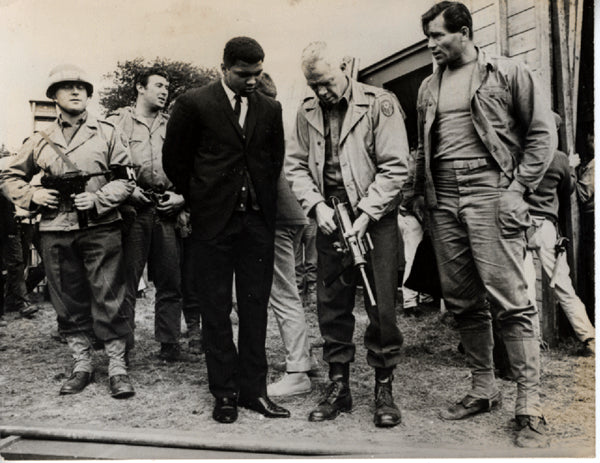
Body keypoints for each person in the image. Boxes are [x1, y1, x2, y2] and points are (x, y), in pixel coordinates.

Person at [414, 2, 557, 447]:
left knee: (512, 301)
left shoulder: (508, 73)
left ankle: (529, 405)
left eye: (438, 36)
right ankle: (483, 389)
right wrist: (417, 194)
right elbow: (425, 146)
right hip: (443, 197)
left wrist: (517, 190)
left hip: (491, 189)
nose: (431, 45)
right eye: (428, 38)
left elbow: (541, 135)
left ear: (464, 31)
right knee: (462, 300)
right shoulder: (427, 86)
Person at [162, 37, 289, 424]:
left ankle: (254, 391)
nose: (253, 81)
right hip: (212, 225)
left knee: (255, 308)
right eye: (244, 74)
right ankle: (224, 394)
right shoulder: (194, 103)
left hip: (256, 225)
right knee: (216, 309)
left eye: (258, 73)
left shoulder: (271, 108)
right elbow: (175, 161)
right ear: (224, 68)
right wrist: (202, 199)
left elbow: (273, 160)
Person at [286, 41, 409, 428]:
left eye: (325, 83)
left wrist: (367, 214)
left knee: (381, 305)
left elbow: (395, 167)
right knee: (331, 304)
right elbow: (295, 166)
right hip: (329, 218)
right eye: (313, 86)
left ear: (343, 67)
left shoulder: (379, 103)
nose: (321, 93)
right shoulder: (306, 113)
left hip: (376, 218)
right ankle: (339, 386)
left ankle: (383, 388)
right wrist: (317, 207)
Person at [0, 64, 135, 398]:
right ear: (54, 97)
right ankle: (82, 365)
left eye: (81, 87)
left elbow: (127, 178)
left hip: (101, 226)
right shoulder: (40, 139)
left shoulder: (107, 132)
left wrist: (99, 197)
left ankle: (118, 368)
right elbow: (8, 176)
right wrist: (33, 195)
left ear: (89, 94)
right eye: (67, 87)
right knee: (67, 297)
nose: (76, 92)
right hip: (55, 228)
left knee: (109, 294)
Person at [107, 67, 185, 362]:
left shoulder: (173, 125)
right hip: (133, 211)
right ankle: (123, 347)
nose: (165, 91)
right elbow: (109, 164)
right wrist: (126, 191)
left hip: (165, 209)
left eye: (168, 87)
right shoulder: (118, 122)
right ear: (140, 87)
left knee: (170, 280)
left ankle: (169, 342)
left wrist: (181, 197)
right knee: (127, 281)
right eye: (159, 85)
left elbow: (188, 165)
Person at [254, 72, 313, 397]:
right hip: (293, 214)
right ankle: (305, 359)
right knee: (287, 291)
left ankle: (298, 371)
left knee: (283, 293)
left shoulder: (264, 123)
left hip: (277, 217)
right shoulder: (281, 119)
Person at [523, 115, 595, 356]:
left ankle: (532, 341)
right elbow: (569, 190)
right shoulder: (559, 158)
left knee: (525, 287)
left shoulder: (522, 153)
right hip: (545, 228)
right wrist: (571, 169)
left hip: (521, 226)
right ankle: (589, 338)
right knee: (563, 286)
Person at [294, 219, 317, 305]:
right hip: (294, 216)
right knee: (295, 260)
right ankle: (297, 292)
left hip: (311, 216)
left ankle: (312, 289)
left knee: (313, 259)